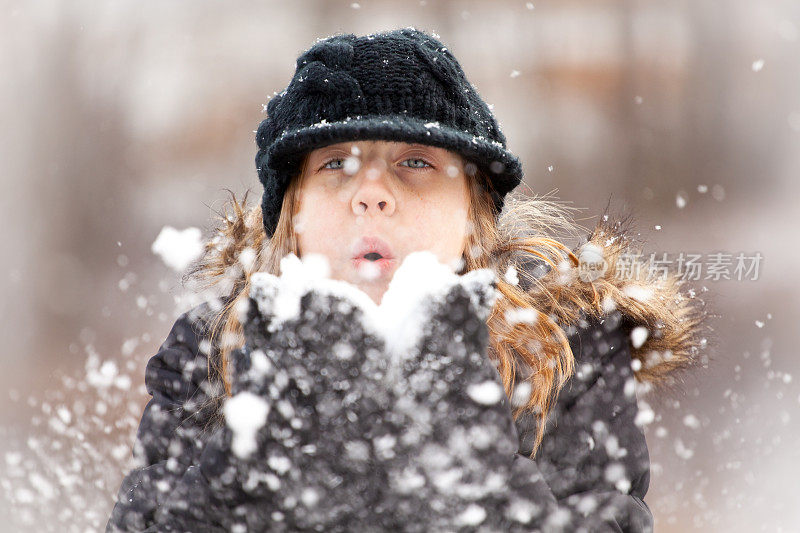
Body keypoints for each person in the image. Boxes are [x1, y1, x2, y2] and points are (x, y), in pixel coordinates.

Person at [106, 28, 711, 532]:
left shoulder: (566, 358)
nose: (371, 192)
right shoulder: (211, 360)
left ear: (475, 220)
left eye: (415, 162)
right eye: (334, 164)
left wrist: (458, 458)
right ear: (290, 222)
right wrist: (261, 469)